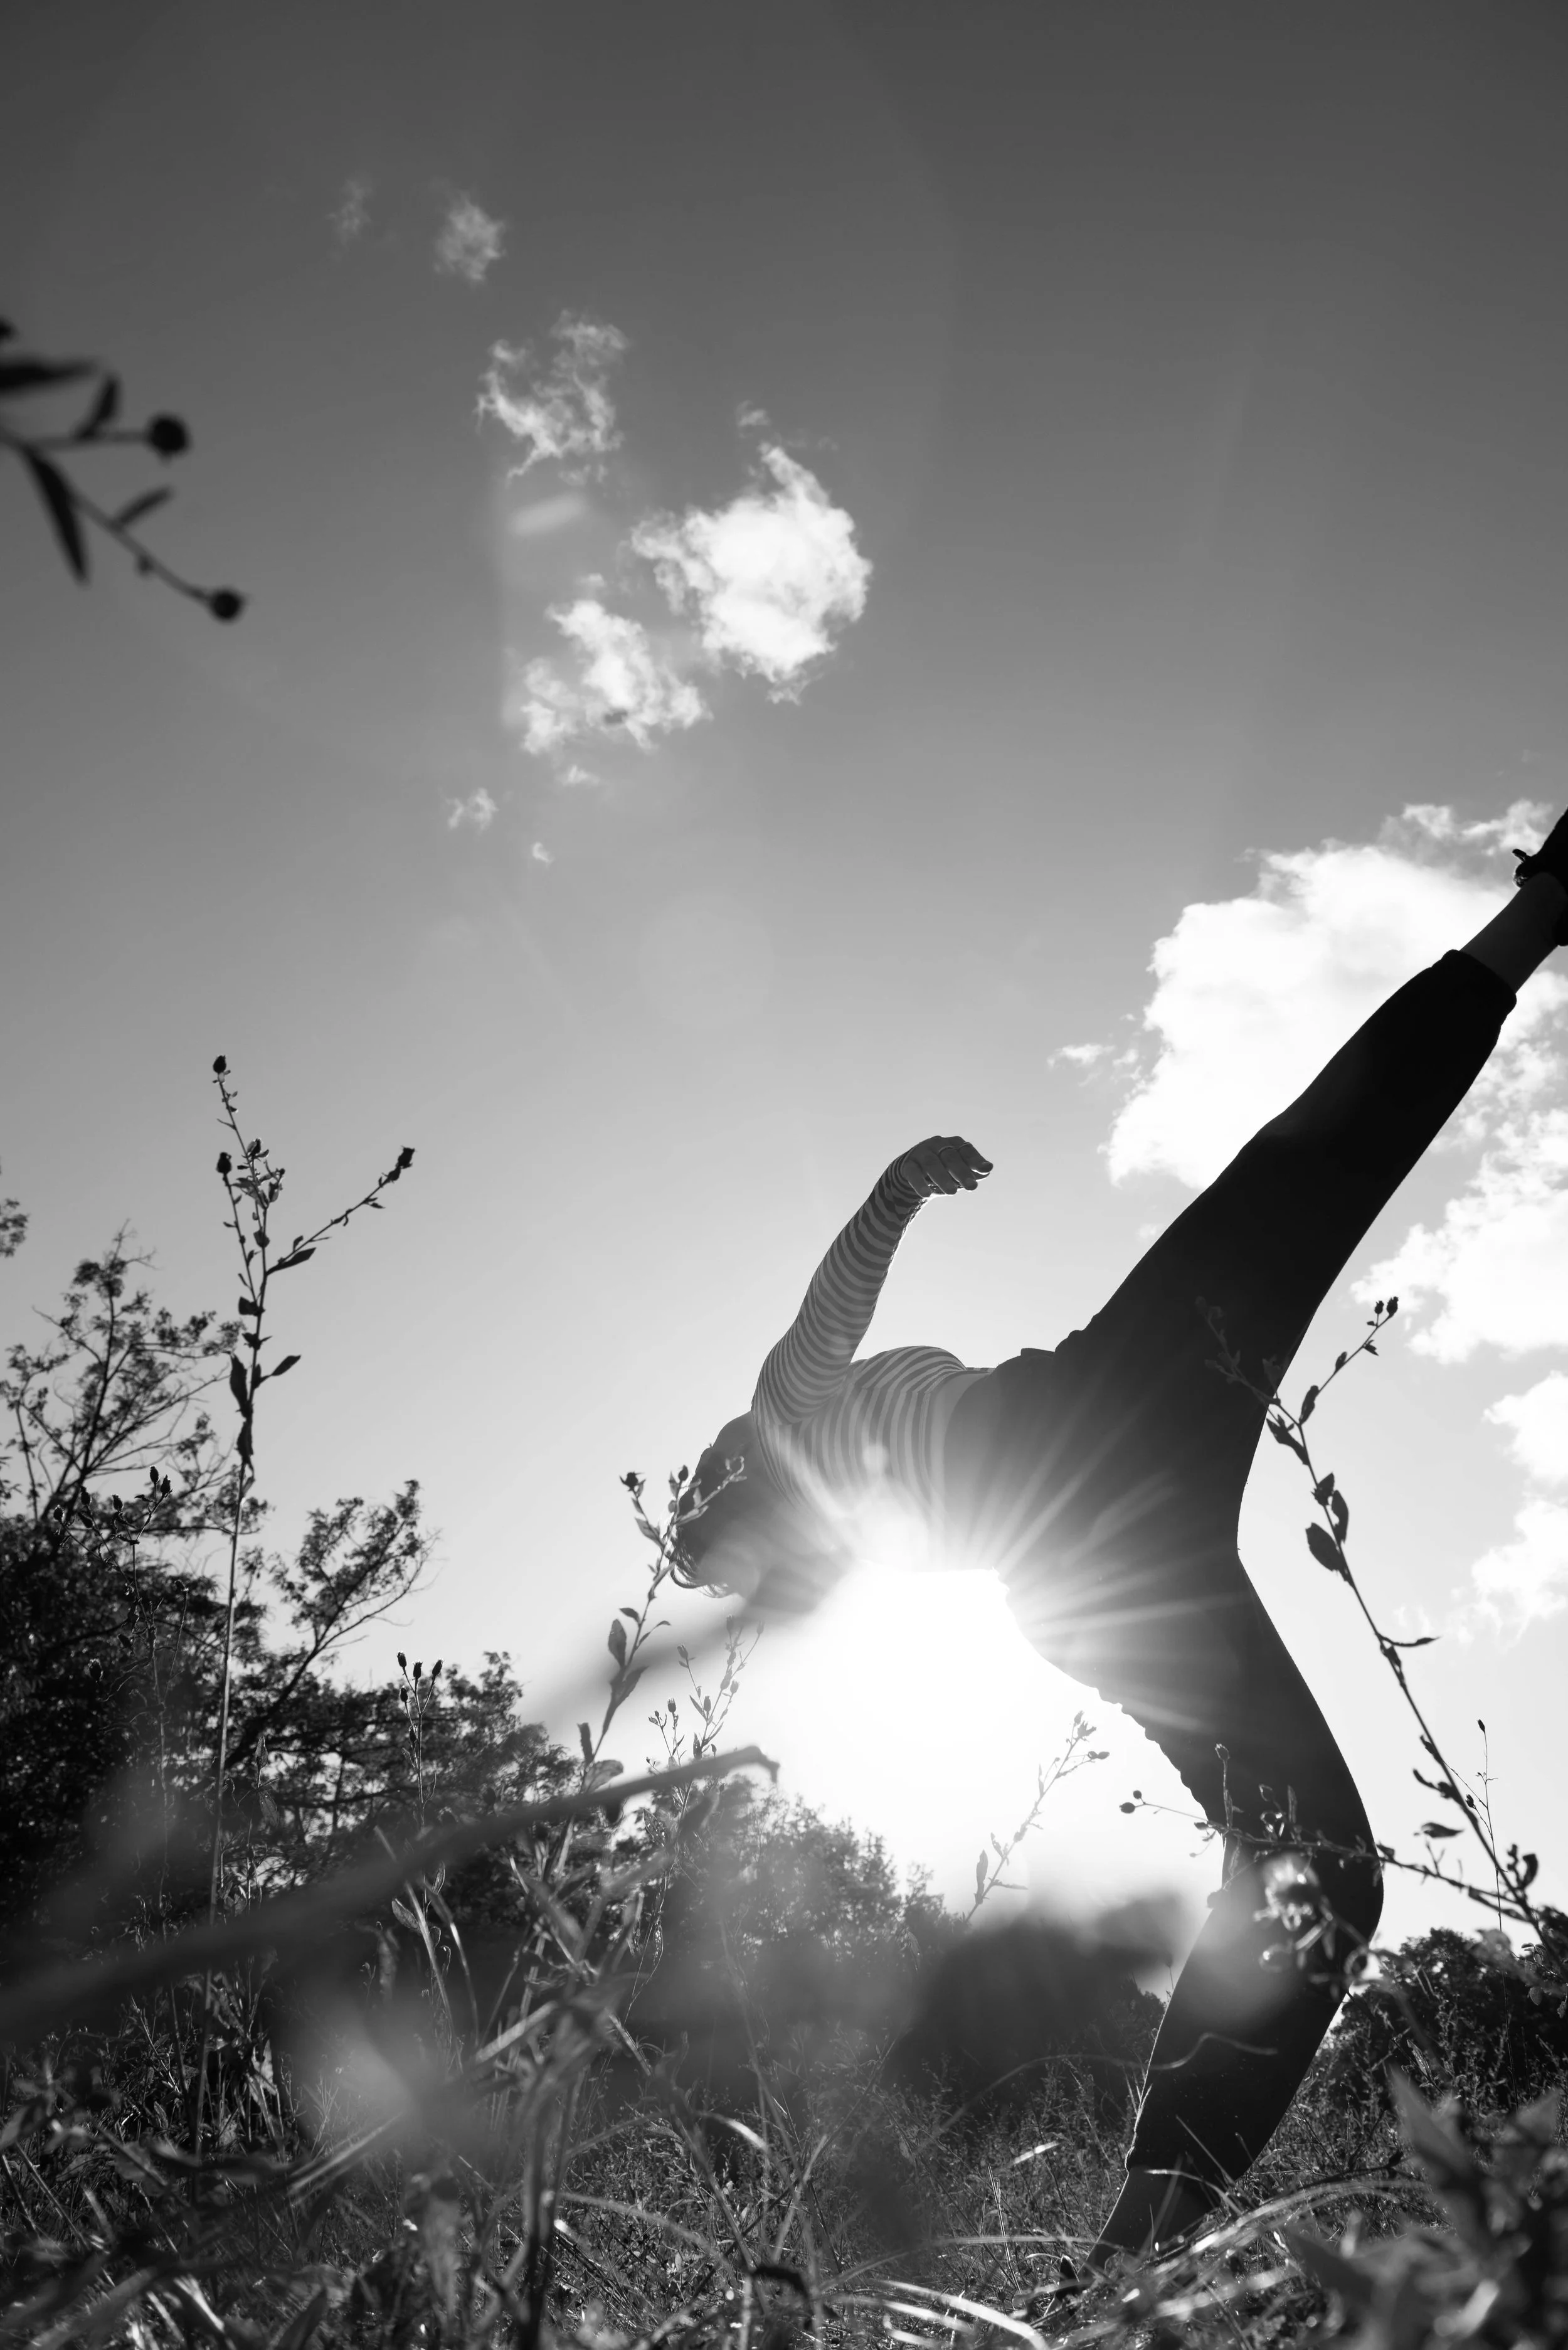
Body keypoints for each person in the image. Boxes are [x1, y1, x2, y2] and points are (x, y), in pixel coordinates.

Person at [673, 826, 1568, 2273]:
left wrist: (896, 1191)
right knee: (1290, 1185)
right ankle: (1150, 2223)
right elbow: (826, 1367)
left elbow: (827, 1308)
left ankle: (1139, 2238)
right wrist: (899, 1186)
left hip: (1097, 1543)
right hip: (1105, 1494)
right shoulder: (807, 1485)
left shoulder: (791, 1412)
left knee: (1314, 1863)